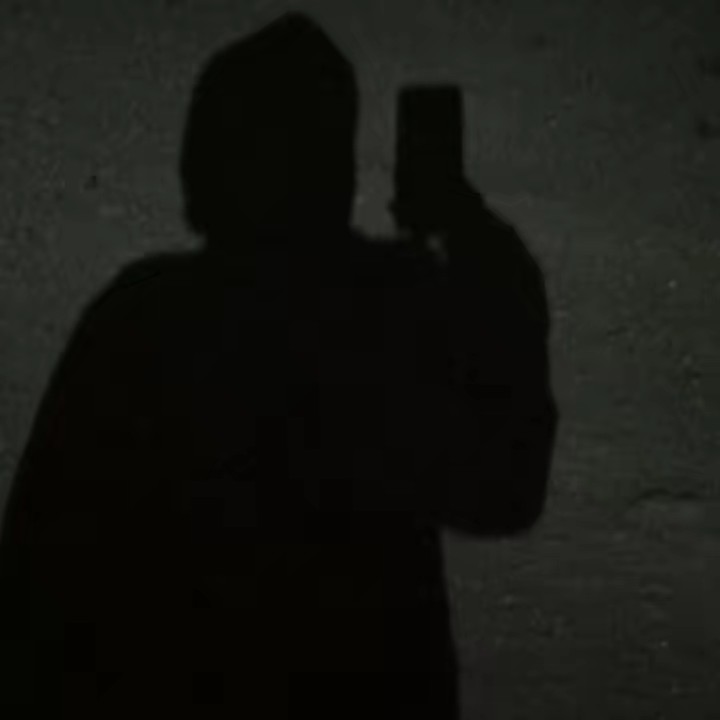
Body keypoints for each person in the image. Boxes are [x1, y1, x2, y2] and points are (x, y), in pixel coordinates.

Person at [0, 12, 557, 719]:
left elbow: (39, 575)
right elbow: (504, 483)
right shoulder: (388, 307)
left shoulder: (145, 315)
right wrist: (476, 239)